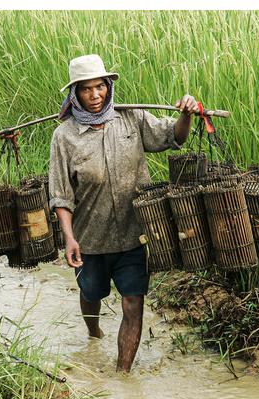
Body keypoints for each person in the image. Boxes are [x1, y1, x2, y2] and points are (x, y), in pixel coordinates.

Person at [48, 54, 198, 372]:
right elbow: (61, 195)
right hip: (91, 239)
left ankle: (123, 374)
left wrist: (186, 114)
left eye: (100, 87)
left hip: (133, 234)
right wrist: (70, 238)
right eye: (86, 90)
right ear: (74, 94)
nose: (95, 96)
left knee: (134, 302)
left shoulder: (132, 119)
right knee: (91, 293)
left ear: (108, 86)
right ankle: (93, 331)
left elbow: (175, 137)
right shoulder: (65, 137)